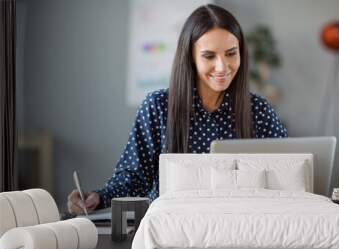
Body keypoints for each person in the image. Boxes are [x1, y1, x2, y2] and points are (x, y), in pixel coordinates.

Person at [67, 4, 288, 215]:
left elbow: (287, 172)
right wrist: (99, 196)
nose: (222, 66)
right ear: (190, 57)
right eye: (209, 56)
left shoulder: (258, 110)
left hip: (240, 224)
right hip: (169, 227)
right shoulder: (158, 106)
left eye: (231, 53)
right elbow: (135, 177)